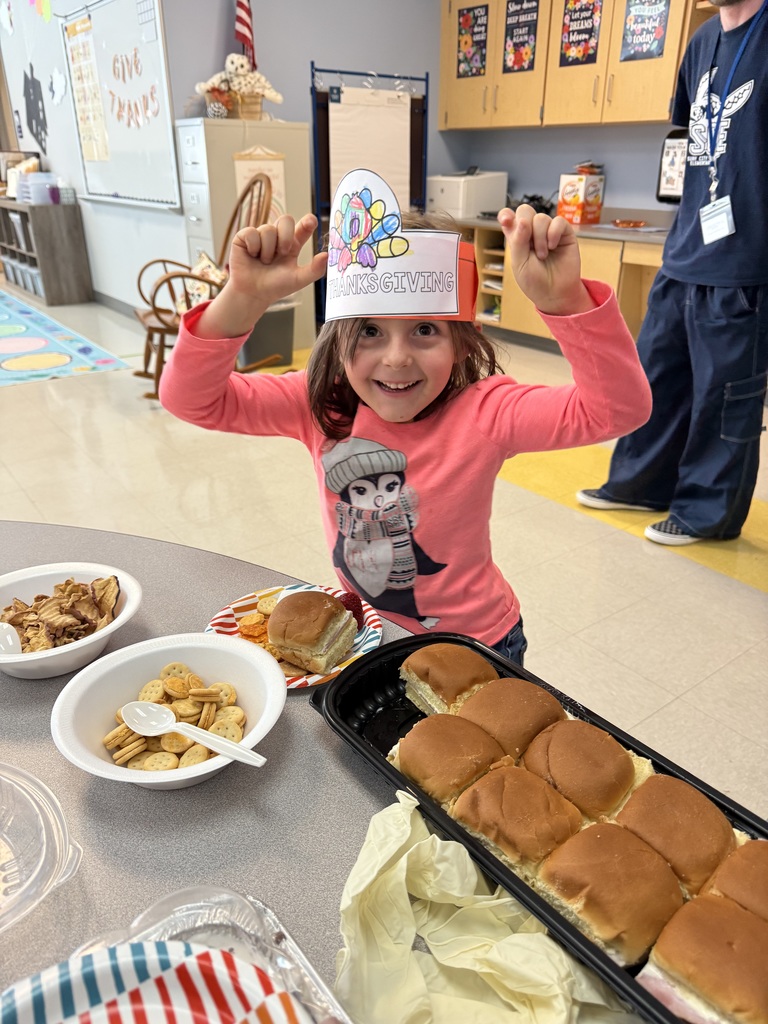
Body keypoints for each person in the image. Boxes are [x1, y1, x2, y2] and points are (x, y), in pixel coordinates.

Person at [159, 171, 651, 665]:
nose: (396, 358)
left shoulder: (487, 412)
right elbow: (192, 399)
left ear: (460, 345)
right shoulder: (320, 406)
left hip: (476, 643)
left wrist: (565, 303)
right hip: (366, 634)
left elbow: (619, 409)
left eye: (424, 329)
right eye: (370, 330)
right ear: (338, 339)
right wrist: (241, 300)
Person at [577, 0, 768, 546]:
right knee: (655, 378)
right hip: (685, 251)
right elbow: (694, 138)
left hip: (745, 262)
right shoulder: (702, 41)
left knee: (724, 397)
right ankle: (641, 482)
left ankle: (708, 514)